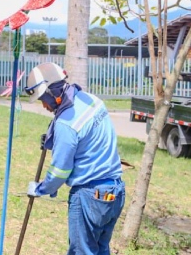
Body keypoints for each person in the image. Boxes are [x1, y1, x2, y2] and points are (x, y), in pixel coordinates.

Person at [23, 62, 124, 255]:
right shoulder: (91, 100)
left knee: (82, 251)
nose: (44, 105)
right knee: (100, 250)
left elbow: (61, 170)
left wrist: (41, 188)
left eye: (43, 99)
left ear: (53, 93)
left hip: (90, 195)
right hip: (114, 192)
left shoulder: (66, 124)